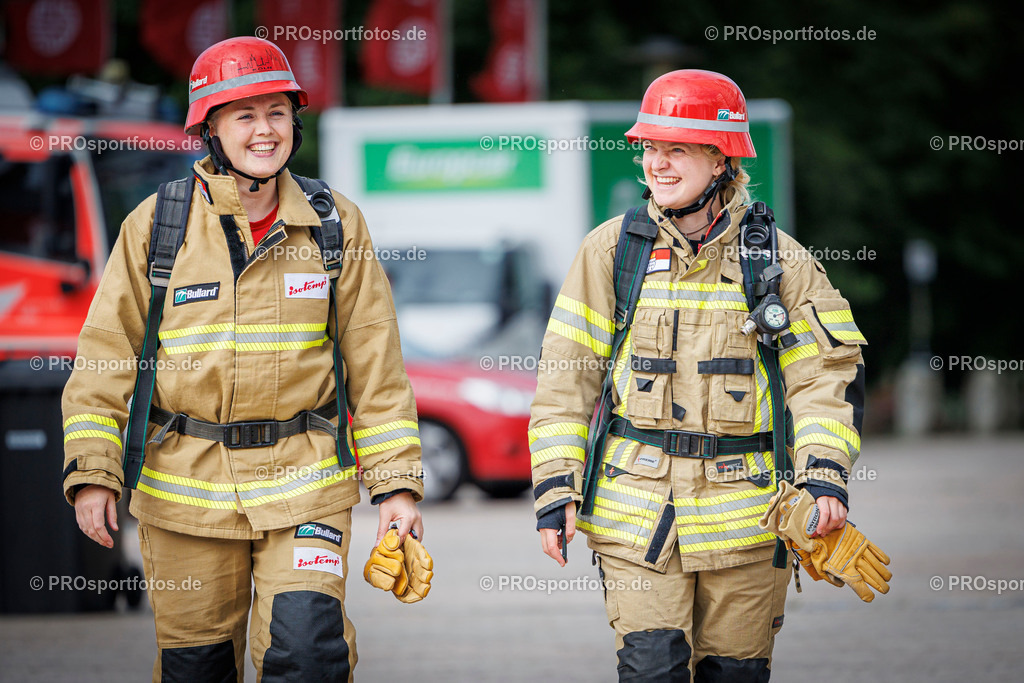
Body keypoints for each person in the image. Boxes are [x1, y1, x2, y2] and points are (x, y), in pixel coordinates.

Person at [61, 36, 425, 681]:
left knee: (310, 654)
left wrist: (396, 485)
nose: (266, 130)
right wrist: (94, 470)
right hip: (184, 492)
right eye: (245, 115)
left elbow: (376, 362)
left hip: (307, 483)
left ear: (297, 121)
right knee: (197, 666)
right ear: (211, 129)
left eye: (278, 112)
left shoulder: (335, 224)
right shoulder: (157, 226)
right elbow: (105, 357)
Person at [529, 69, 869, 681]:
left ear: (720, 160)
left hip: (747, 522)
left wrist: (825, 478)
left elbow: (823, 380)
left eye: (676, 148)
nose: (657, 163)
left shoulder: (781, 262)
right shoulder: (612, 252)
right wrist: (557, 489)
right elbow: (565, 381)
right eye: (650, 147)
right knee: (651, 670)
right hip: (636, 518)